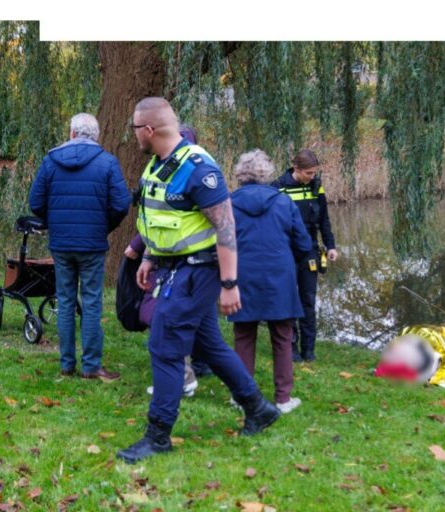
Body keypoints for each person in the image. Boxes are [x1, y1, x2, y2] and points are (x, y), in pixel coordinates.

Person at [116, 97, 279, 464]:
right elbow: (158, 219)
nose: (133, 138)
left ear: (148, 130)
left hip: (197, 271)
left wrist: (229, 284)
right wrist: (149, 257)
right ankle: (258, 408)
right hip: (170, 265)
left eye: (134, 130)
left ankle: (157, 436)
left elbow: (226, 227)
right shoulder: (157, 167)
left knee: (165, 345)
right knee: (208, 346)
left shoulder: (198, 168)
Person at [29, 113, 131, 381]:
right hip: (92, 244)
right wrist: (103, 226)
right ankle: (91, 366)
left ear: (72, 133)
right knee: (92, 301)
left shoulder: (51, 161)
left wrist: (55, 222)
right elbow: (121, 204)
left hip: (61, 243)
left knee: (64, 300)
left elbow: (36, 202)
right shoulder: (107, 163)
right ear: (95, 136)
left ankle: (66, 364)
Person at [228, 150, 312, 414]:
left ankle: (241, 396)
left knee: (244, 336)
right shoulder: (284, 202)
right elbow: (304, 243)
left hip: (242, 275)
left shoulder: (227, 203)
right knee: (282, 336)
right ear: (266, 173)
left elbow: (217, 241)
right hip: (279, 276)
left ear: (240, 173)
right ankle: (283, 398)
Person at [271, 150, 338, 362]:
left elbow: (324, 219)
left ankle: (309, 350)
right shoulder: (277, 188)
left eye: (314, 173)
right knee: (288, 299)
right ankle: (292, 349)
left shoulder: (316, 187)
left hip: (309, 251)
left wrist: (330, 245)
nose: (312, 176)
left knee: (308, 300)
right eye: (308, 173)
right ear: (296, 169)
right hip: (285, 253)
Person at [123, 233, 199, 397]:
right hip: (174, 260)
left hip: (170, 263)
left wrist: (138, 244)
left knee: (163, 323)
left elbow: (154, 220)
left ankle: (181, 377)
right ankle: (181, 377)